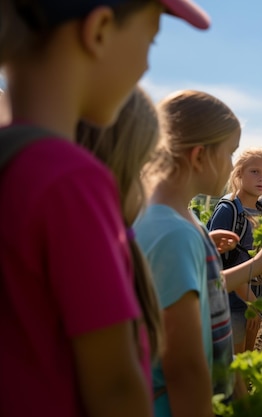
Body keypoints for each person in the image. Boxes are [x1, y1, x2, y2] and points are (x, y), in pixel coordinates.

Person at [0, 1, 209, 417]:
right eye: (149, 41)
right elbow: (114, 387)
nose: (147, 66)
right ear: (98, 30)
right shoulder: (71, 181)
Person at [135, 90, 262, 416]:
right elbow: (185, 369)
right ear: (198, 157)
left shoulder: (183, 218)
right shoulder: (174, 233)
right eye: (229, 154)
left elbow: (208, 288)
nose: (229, 166)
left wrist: (261, 261)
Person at [76, 86, 163, 377]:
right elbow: (116, 385)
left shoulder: (116, 239)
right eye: (141, 170)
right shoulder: (95, 251)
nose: (144, 189)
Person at [208, 147, 262, 354]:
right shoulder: (228, 210)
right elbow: (221, 264)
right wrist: (251, 302)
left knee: (248, 355)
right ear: (239, 172)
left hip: (257, 294)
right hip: (232, 298)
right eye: (254, 172)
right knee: (235, 362)